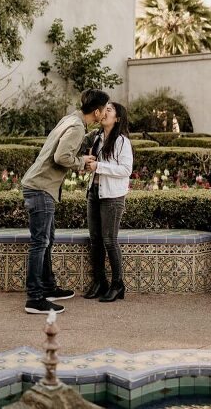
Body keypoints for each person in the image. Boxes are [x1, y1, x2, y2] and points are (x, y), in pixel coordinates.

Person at [21, 88, 110, 314]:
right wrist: (81, 162)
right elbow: (61, 157)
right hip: (41, 187)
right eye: (105, 110)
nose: (105, 113)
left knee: (47, 240)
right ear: (97, 112)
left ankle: (48, 287)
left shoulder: (71, 119)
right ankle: (34, 298)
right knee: (40, 243)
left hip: (40, 186)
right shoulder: (77, 126)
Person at [82, 102, 133, 302]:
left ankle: (118, 284)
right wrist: (88, 164)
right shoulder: (97, 137)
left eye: (109, 110)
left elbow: (125, 170)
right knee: (95, 240)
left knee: (110, 241)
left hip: (112, 197)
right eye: (105, 109)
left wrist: (99, 166)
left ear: (117, 118)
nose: (104, 112)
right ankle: (100, 282)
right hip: (94, 192)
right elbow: (93, 164)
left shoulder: (122, 141)